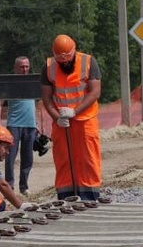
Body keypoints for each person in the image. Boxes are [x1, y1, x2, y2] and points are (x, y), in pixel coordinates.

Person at [41, 34, 102, 201]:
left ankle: (90, 195)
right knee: (63, 158)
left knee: (88, 158)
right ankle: (66, 195)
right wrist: (57, 118)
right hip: (62, 122)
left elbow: (95, 92)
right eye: (61, 61)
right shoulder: (49, 67)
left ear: (74, 51)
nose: (65, 63)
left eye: (68, 59)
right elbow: (46, 97)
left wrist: (75, 111)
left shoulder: (88, 62)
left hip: (85, 119)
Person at [0, 56, 43, 196]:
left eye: (26, 66)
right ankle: (9, 186)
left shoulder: (31, 83)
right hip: (14, 125)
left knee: (28, 157)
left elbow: (34, 105)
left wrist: (37, 123)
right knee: (10, 157)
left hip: (30, 126)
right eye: (21, 67)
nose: (24, 69)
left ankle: (24, 186)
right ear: (15, 68)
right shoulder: (10, 84)